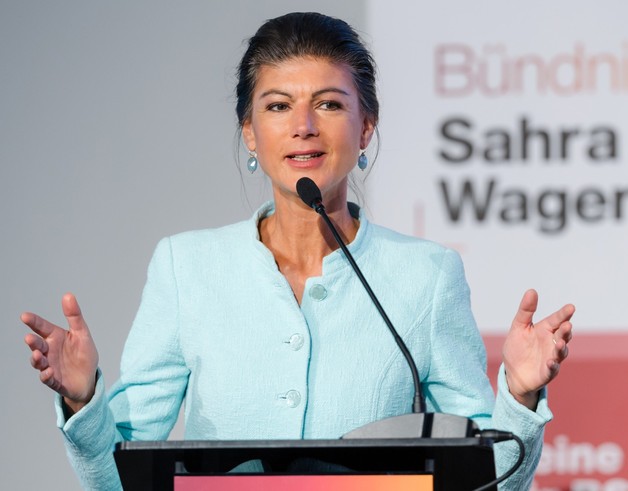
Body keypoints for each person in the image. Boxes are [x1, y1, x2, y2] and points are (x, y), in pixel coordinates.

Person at [21, 12, 574, 490]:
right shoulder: (185, 268)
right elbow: (120, 480)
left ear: (366, 129)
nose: (304, 127)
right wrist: (82, 401)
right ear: (251, 134)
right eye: (279, 106)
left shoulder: (426, 275)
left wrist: (521, 399)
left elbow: (485, 479)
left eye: (330, 104)